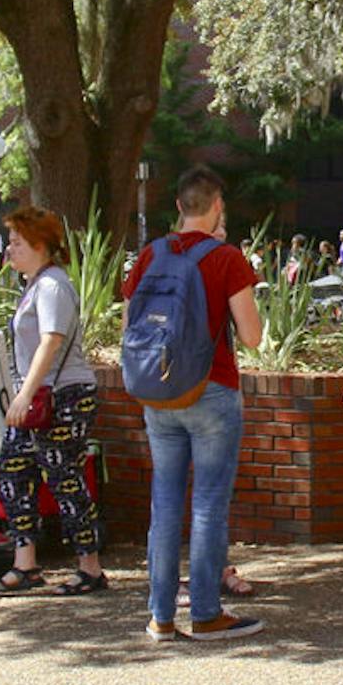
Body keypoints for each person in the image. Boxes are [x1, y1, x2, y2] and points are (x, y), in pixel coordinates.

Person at [122, 166, 264, 641]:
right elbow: (253, 335)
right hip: (212, 389)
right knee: (207, 505)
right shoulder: (226, 258)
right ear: (216, 206)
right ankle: (205, 613)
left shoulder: (150, 255)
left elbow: (131, 329)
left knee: (164, 505)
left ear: (179, 206)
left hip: (157, 394)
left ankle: (161, 615)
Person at [0, 206, 107, 596]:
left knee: (63, 476)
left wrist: (23, 393)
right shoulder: (34, 285)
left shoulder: (53, 286)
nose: (9, 250)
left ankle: (90, 566)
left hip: (63, 395)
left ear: (40, 245)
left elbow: (51, 342)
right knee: (13, 471)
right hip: (38, 397)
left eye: (17, 242)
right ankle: (26, 564)